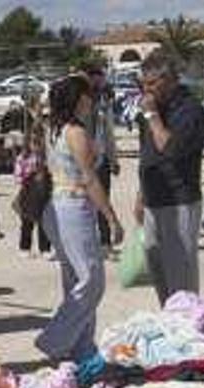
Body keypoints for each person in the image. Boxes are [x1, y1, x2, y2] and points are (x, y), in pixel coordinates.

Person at [37, 76, 124, 364]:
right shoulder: (75, 131)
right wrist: (111, 217)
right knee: (91, 280)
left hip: (56, 205)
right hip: (72, 206)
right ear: (79, 99)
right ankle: (55, 339)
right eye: (89, 96)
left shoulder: (53, 128)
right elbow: (89, 178)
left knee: (75, 278)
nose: (93, 101)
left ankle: (82, 346)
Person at [134, 53, 204, 305]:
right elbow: (147, 154)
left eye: (152, 83)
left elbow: (170, 149)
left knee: (181, 282)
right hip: (154, 201)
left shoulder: (190, 110)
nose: (147, 90)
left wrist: (153, 116)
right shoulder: (152, 109)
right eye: (143, 84)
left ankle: (188, 332)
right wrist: (140, 195)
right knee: (161, 278)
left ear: (169, 79)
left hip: (179, 202)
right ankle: (170, 330)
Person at [83, 65, 120, 257]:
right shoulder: (81, 104)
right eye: (95, 78)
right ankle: (88, 242)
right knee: (86, 203)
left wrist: (114, 159)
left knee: (104, 200)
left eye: (101, 78)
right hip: (84, 160)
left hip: (103, 159)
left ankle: (105, 243)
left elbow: (109, 133)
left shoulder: (105, 102)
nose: (99, 82)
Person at [14, 127, 52, 258]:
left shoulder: (46, 158)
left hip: (43, 194)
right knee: (27, 221)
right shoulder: (23, 158)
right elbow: (18, 176)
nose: (36, 145)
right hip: (28, 192)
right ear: (28, 143)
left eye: (39, 142)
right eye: (33, 142)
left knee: (44, 222)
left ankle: (45, 248)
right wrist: (29, 176)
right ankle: (24, 247)